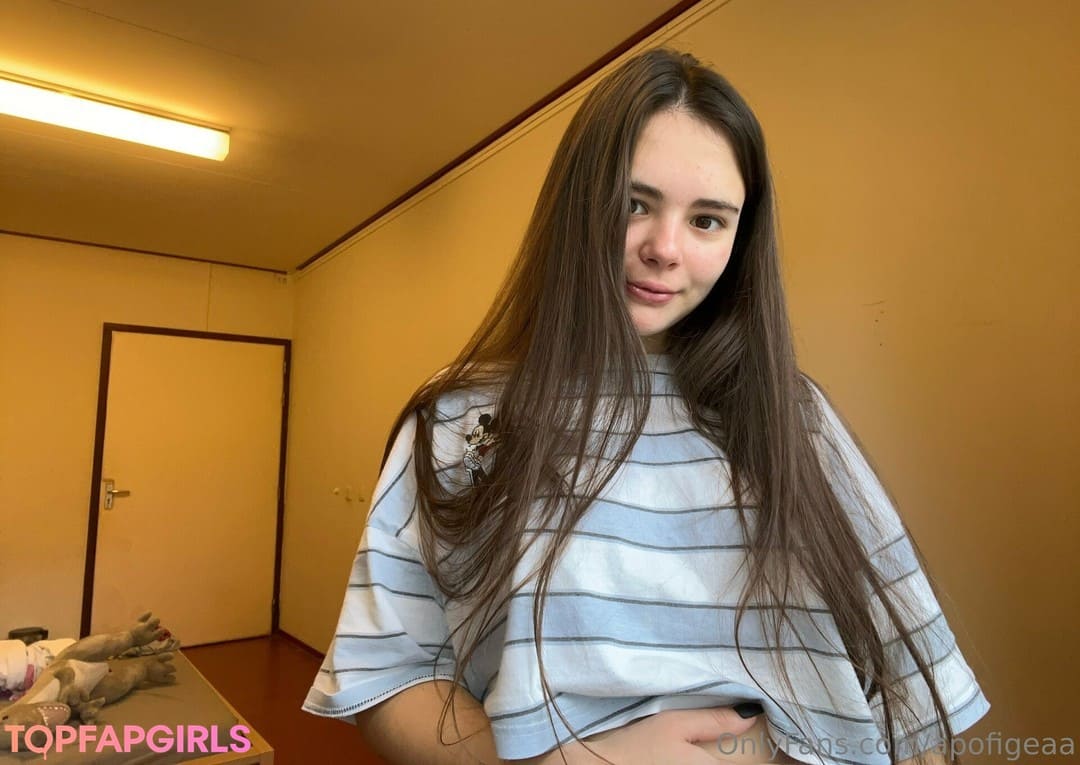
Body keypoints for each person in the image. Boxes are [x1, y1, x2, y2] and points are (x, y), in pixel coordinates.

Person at [302, 48, 989, 764]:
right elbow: (385, 674)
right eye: (634, 204)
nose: (664, 248)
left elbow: (919, 691)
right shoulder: (461, 417)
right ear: (576, 208)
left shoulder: (793, 418)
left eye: (707, 220)